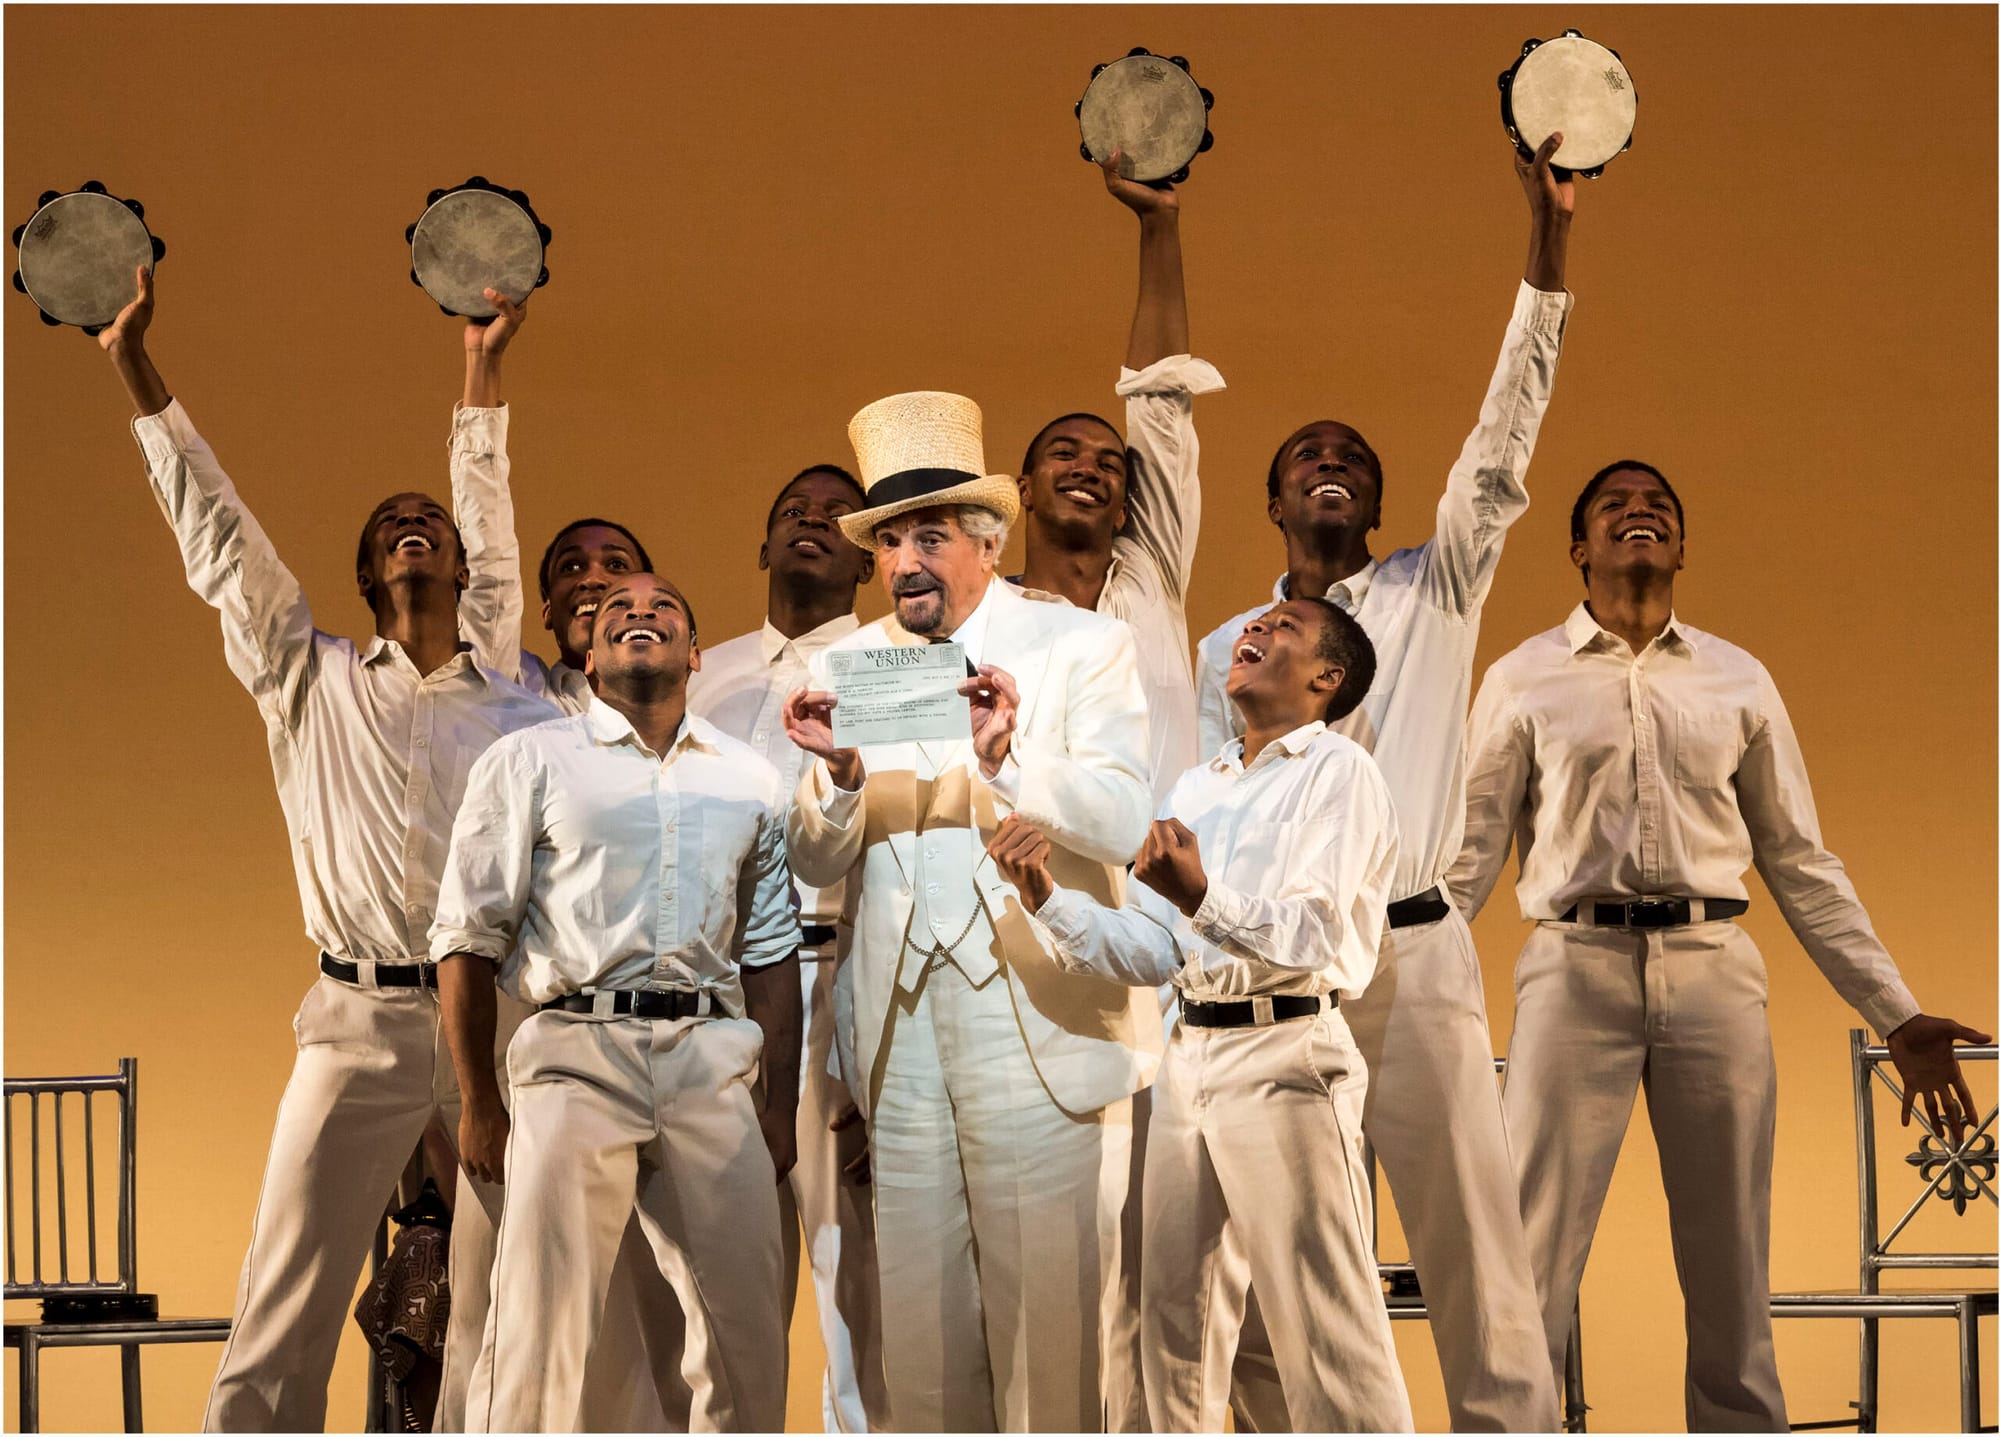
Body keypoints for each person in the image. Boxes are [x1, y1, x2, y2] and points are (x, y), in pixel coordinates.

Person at [96, 264, 558, 1432]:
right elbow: (217, 530)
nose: (419, 527)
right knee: (284, 1299)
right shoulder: (307, 675)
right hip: (354, 1020)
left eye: (433, 525)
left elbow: (490, 501)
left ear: (463, 573)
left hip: (490, 1020)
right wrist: (134, 366)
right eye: (391, 527)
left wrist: (480, 366)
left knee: (507, 1299)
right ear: (367, 574)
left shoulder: (506, 689)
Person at [1448, 461, 1993, 1431]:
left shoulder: (1737, 677)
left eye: (1656, 504)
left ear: (1682, 547)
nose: (1637, 511)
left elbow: (1797, 861)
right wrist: (1383, 992)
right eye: (1612, 505)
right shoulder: (1521, 676)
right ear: (1577, 550)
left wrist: (1894, 1012)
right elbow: (1466, 858)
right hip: (1573, 969)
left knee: (1730, 1254)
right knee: (1530, 1249)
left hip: (1713, 973)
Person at [1188, 135, 1577, 1433]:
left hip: (1413, 957)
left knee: (1472, 1236)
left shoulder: (1433, 589)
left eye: (1350, 452)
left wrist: (1550, 240)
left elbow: (1506, 432)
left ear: (1381, 497)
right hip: (1285, 972)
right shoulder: (1228, 649)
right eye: (1305, 455)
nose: (1329, 463)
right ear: (1276, 498)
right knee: (1294, 1248)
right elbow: (1216, 801)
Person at [782, 390, 1157, 1431]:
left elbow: (1126, 816)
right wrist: (839, 780)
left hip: (1032, 1015)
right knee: (923, 1341)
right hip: (900, 1037)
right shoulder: (844, 667)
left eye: (930, 536)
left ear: (985, 542)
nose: (906, 560)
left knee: (1050, 1335)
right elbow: (812, 856)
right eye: (891, 539)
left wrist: (1011, 760)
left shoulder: (1077, 646)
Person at [990, 596, 1414, 1432]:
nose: (1254, 630)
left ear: (1327, 677)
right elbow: (1157, 949)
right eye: (1254, 623)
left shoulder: (1340, 772)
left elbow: (1313, 931)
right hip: (1194, 1056)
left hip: (1289, 1051)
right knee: (1170, 1325)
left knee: (1326, 1324)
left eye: (1283, 627)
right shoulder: (1197, 785)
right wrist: (1043, 898)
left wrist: (1204, 895)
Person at [432, 572, 801, 1433]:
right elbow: (467, 936)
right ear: (589, 659)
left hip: (710, 1057)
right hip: (574, 1051)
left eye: (665, 606)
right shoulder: (530, 759)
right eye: (617, 612)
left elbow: (772, 950)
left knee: (747, 1336)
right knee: (539, 1328)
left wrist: (778, 1105)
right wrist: (480, 1101)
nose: (642, 613)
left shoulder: (748, 778)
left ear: (695, 653)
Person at [1009, 149, 1221, 1430]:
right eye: (1060, 455)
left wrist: (1159, 228)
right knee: (1070, 1257)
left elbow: (1158, 404)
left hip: (1171, 925)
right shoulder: (988, 621)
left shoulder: (1150, 585)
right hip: (1049, 950)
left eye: (1105, 458)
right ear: (1021, 494)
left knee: (1181, 1261)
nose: (1092, 464)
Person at [684, 463, 888, 1433]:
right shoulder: (701, 673)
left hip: (842, 973)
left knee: (858, 1289)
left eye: (831, 515)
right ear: (760, 546)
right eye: (788, 512)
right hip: (720, 996)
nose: (808, 524)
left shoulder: (893, 671)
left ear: (866, 556)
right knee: (718, 1303)